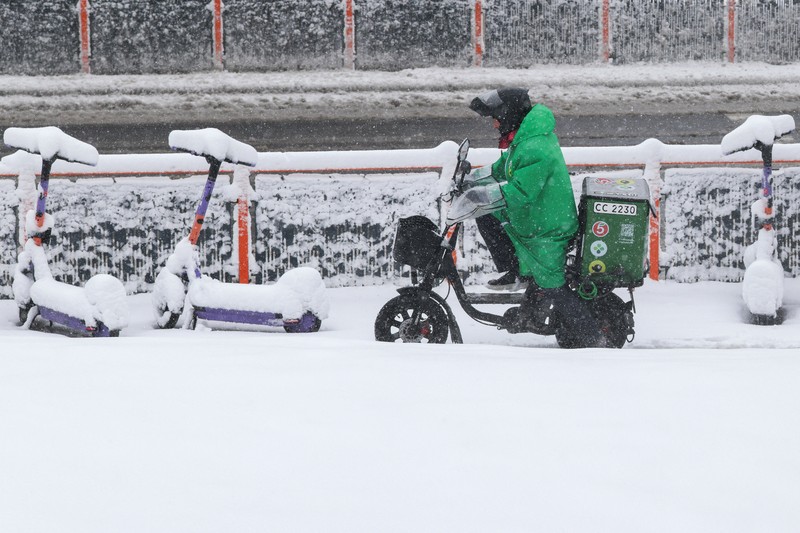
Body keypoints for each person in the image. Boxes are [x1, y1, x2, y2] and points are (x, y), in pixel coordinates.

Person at [448, 88, 604, 347]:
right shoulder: (526, 139)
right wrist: (470, 181)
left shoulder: (535, 146)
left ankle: (592, 338)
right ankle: (515, 270)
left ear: (508, 115)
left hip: (548, 228)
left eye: (496, 117)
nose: (495, 123)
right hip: (537, 217)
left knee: (554, 285)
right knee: (487, 215)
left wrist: (479, 197)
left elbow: (521, 191)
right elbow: (500, 169)